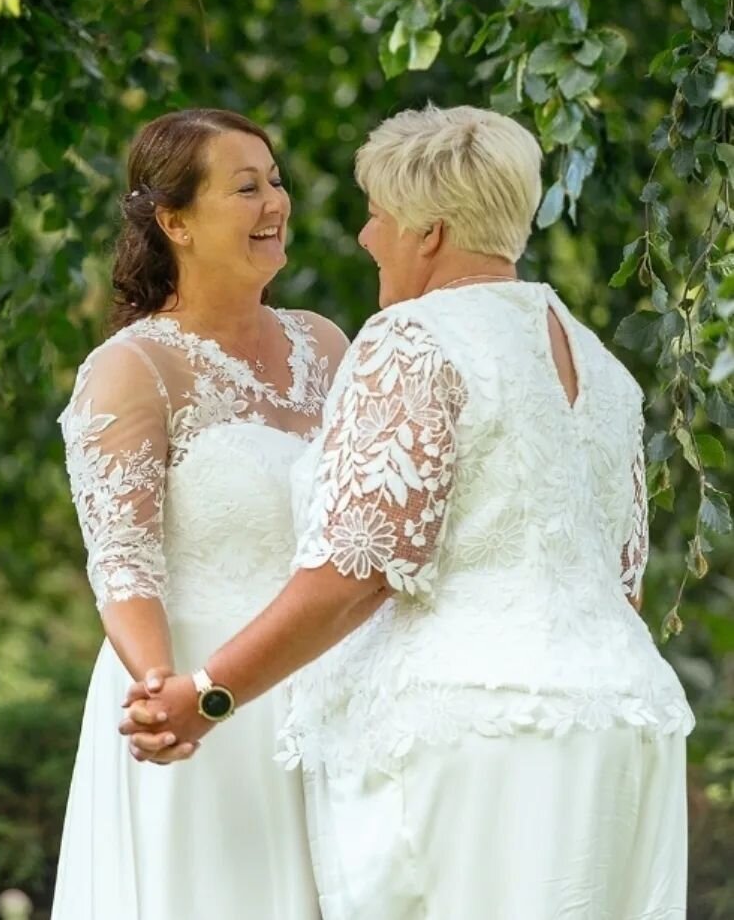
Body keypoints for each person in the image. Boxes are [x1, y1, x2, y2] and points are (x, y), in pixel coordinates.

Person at [122, 105, 694, 920]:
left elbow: (354, 573)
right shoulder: (600, 365)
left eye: (378, 216)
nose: (365, 238)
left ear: (427, 233)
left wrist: (209, 694)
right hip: (627, 727)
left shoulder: (412, 340)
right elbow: (622, 586)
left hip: (476, 744)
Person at [51, 109, 352, 919]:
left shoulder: (326, 346)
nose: (275, 203)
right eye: (246, 187)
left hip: (329, 695)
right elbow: (123, 562)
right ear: (174, 220)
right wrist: (164, 698)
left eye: (277, 182)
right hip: (200, 701)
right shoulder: (131, 368)